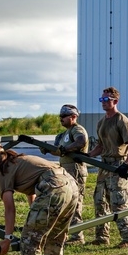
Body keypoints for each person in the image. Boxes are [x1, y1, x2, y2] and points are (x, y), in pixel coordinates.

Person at [87, 87, 128, 248]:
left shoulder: (122, 121)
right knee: (100, 201)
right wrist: (87, 156)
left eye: (107, 100)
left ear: (115, 101)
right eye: (101, 100)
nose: (103, 103)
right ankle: (102, 237)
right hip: (104, 166)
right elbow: (100, 146)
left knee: (119, 202)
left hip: (118, 165)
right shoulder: (101, 122)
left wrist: (127, 164)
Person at [52, 104, 89, 244]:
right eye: (60, 116)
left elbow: (81, 142)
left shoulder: (77, 129)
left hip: (75, 169)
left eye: (64, 116)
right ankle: (67, 233)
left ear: (73, 117)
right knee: (66, 201)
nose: (61, 119)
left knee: (75, 201)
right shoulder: (64, 134)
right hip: (66, 169)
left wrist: (65, 149)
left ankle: (77, 236)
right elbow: (58, 149)